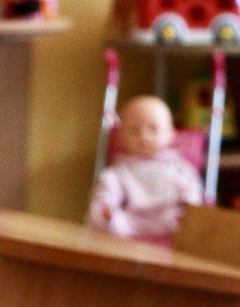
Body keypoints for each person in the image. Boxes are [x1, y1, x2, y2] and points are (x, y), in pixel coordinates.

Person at [86, 95, 203, 242]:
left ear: (170, 133)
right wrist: (106, 206)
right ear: (121, 136)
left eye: (153, 129)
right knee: (112, 220)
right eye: (134, 130)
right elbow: (108, 188)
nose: (144, 136)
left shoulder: (178, 166)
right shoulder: (120, 169)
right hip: (132, 220)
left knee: (184, 219)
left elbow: (191, 188)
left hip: (167, 219)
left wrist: (189, 204)